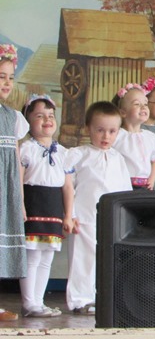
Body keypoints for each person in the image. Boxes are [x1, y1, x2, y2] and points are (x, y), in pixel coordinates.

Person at [64, 101, 132, 314]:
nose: (106, 136)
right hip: (84, 217)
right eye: (100, 130)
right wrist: (71, 214)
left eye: (112, 131)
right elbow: (67, 186)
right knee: (83, 259)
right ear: (88, 128)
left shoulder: (118, 158)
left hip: (110, 218)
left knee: (109, 259)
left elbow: (125, 191)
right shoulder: (78, 154)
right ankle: (80, 299)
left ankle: (106, 298)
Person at [19, 95, 74, 318]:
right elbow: (18, 180)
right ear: (28, 121)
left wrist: (68, 215)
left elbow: (68, 187)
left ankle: (39, 302)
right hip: (34, 205)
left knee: (46, 258)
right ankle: (29, 303)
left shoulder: (63, 153)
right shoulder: (25, 149)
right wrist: (20, 206)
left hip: (53, 209)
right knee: (32, 256)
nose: (47, 120)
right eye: (40, 116)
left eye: (51, 115)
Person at [0, 44, 29, 322]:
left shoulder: (14, 118)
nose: (7, 82)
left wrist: (19, 199)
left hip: (5, 190)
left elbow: (16, 161)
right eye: (1, 76)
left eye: (10, 77)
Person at [112, 83, 155, 190]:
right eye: (137, 104)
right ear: (123, 112)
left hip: (144, 187)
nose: (143, 107)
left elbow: (154, 161)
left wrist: (152, 179)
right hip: (121, 186)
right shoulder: (116, 135)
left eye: (145, 104)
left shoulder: (151, 137)